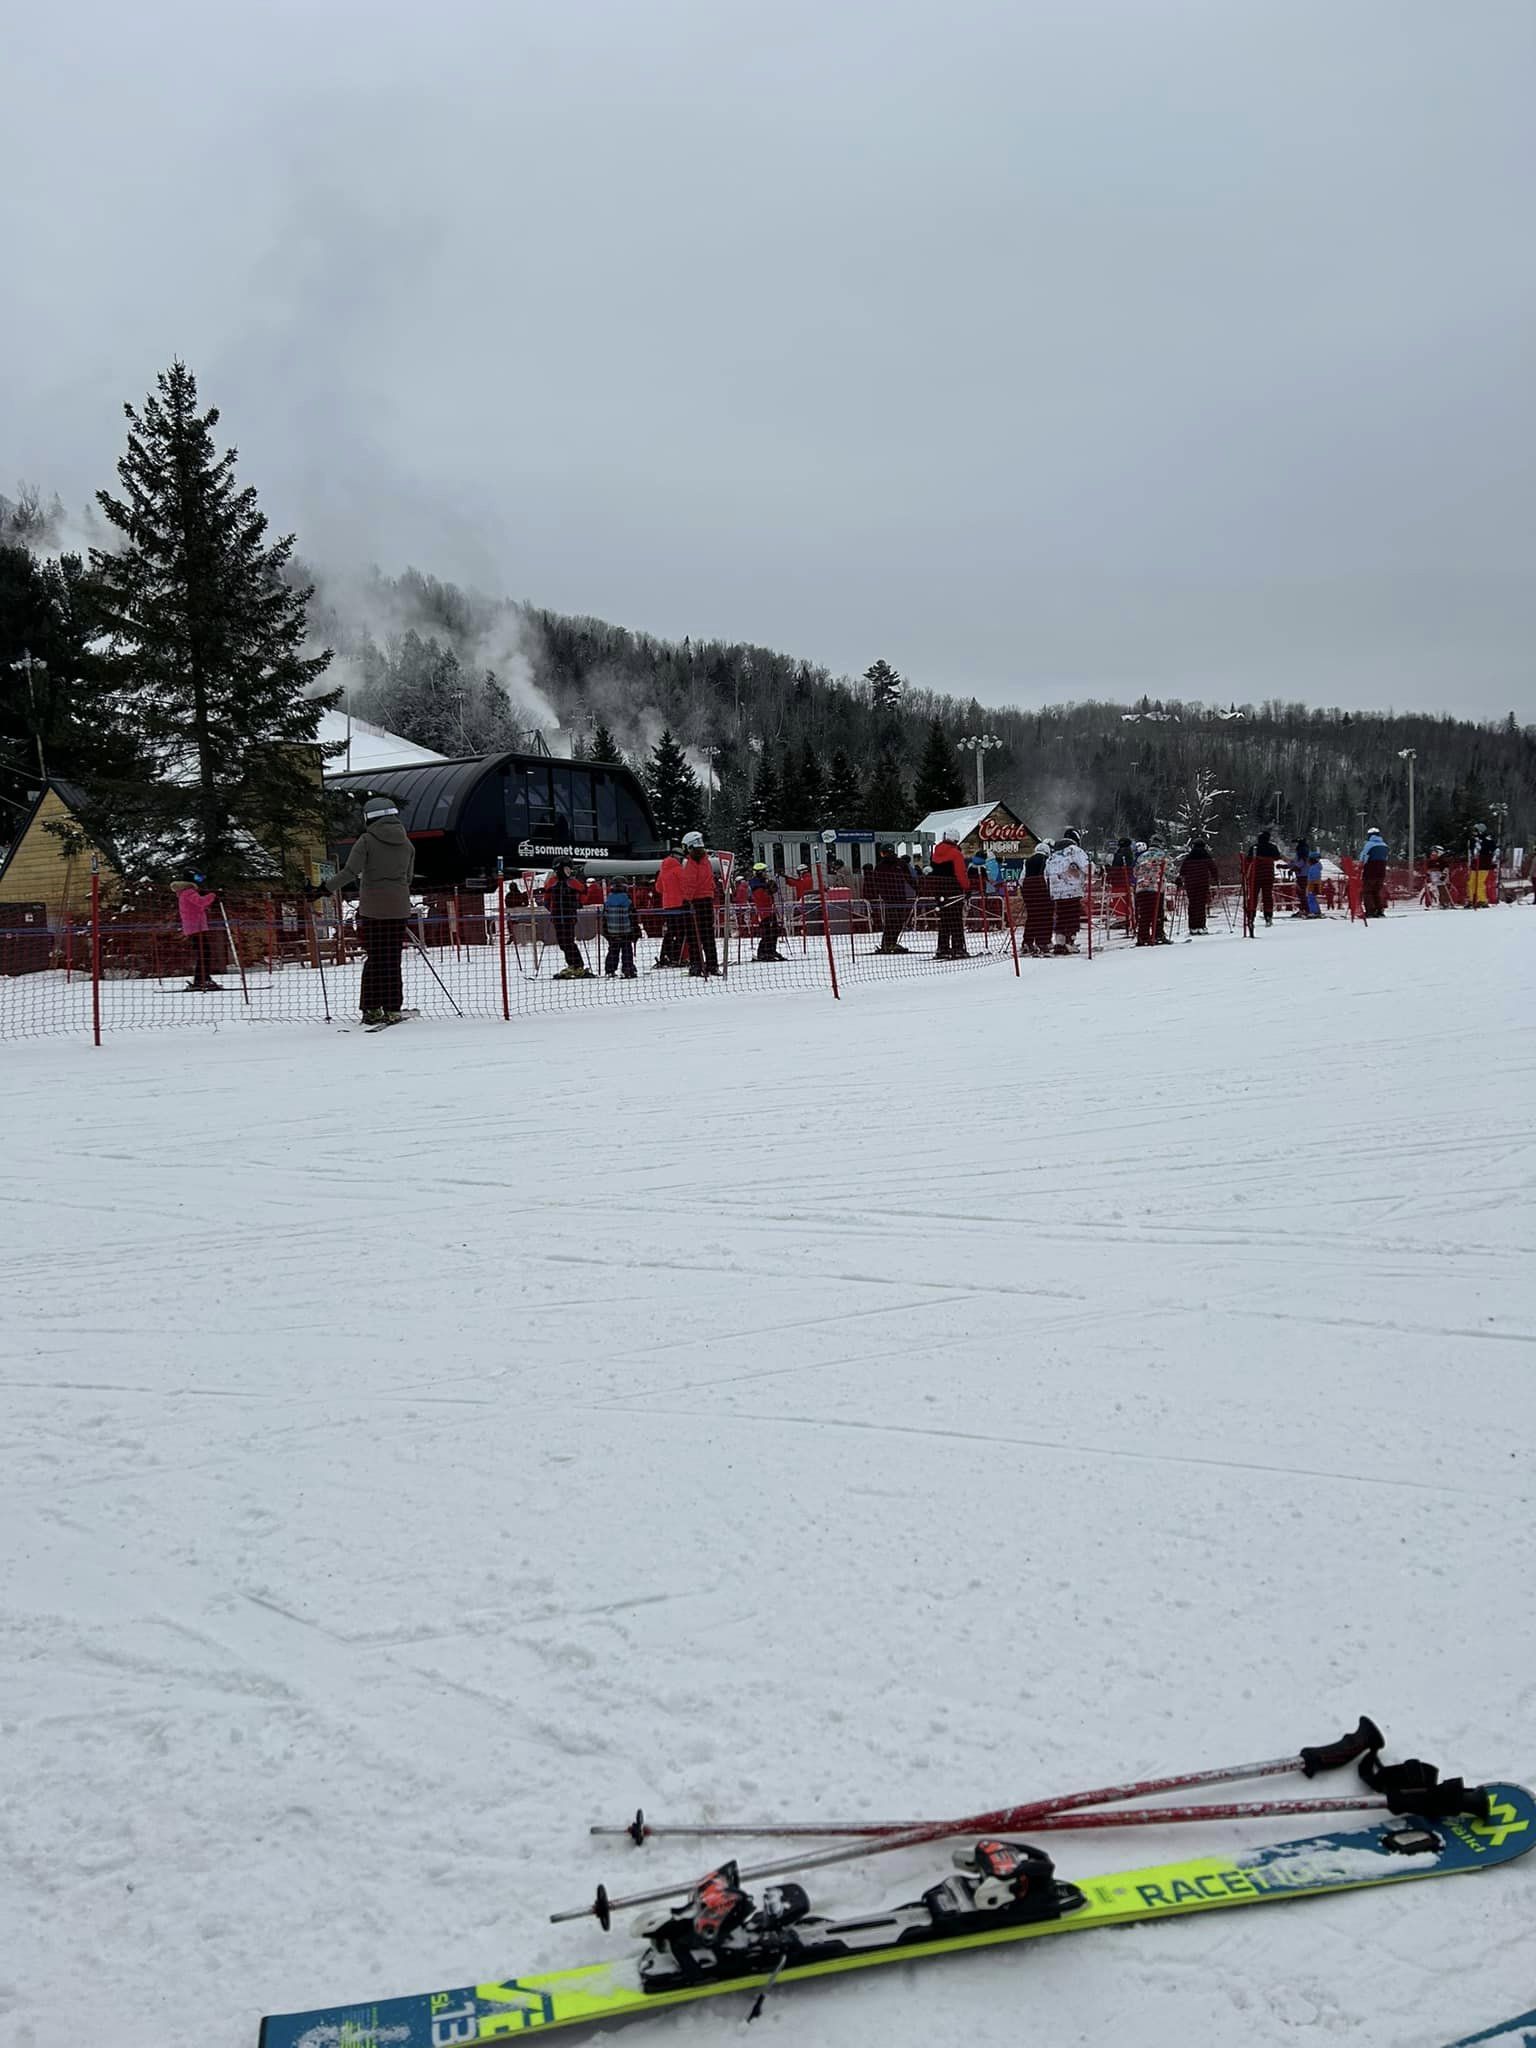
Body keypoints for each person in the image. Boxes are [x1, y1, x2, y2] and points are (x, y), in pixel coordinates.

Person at [329, 796, 417, 1023]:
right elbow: (408, 877)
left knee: (375, 959)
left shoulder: (366, 840)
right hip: (398, 910)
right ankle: (393, 1007)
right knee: (392, 959)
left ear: (369, 817)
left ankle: (371, 1008)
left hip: (372, 910)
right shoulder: (407, 843)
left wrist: (323, 889)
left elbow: (350, 871)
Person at [679, 830, 720, 976]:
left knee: (693, 935)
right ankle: (712, 964)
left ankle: (696, 964)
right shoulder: (706, 861)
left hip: (695, 902)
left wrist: (687, 899)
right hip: (707, 900)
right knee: (708, 934)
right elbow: (710, 881)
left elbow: (690, 882)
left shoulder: (691, 862)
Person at [865, 844, 916, 953]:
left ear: (882, 853)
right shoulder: (901, 863)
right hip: (901, 896)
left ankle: (887, 943)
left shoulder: (880, 865)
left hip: (888, 898)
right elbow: (909, 878)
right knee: (899, 921)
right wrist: (918, 890)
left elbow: (876, 882)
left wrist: (877, 893)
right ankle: (891, 942)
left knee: (890, 921)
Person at [176, 873, 224, 991]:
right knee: (204, 953)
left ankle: (203, 978)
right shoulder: (189, 892)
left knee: (204, 953)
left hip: (194, 927)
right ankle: (201, 980)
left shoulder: (186, 892)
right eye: (198, 878)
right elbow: (201, 902)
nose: (200, 881)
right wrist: (213, 895)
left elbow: (198, 907)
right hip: (195, 927)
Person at [544, 861, 592, 978]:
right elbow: (546, 898)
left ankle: (577, 965)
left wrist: (578, 902)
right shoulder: (552, 882)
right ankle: (573, 965)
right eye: (566, 869)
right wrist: (551, 909)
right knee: (562, 943)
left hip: (569, 916)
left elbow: (584, 891)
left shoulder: (572, 882)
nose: (569, 871)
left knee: (568, 941)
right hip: (557, 917)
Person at [1045, 829, 1090, 952]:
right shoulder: (1074, 850)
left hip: (1057, 892)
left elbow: (1046, 873)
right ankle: (1070, 941)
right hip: (1072, 889)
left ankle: (1060, 942)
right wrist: (1096, 870)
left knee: (1061, 915)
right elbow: (1086, 867)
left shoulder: (1053, 855)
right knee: (1072, 916)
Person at [929, 831, 970, 959]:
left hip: (940, 890)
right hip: (954, 890)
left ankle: (943, 947)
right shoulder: (955, 854)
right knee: (956, 920)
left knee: (944, 921)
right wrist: (967, 888)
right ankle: (958, 947)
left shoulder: (935, 854)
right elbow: (960, 873)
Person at [654, 844, 688, 966]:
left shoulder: (663, 870)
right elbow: (685, 887)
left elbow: (658, 888)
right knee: (681, 932)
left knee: (670, 931)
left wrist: (669, 892)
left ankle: (665, 955)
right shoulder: (679, 870)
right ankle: (676, 956)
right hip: (680, 904)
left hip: (667, 905)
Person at [1179, 837, 1220, 935]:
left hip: (1190, 884)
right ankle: (1201, 926)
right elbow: (1213, 868)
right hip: (1203, 883)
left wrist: (1180, 880)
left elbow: (1182, 871)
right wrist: (1216, 878)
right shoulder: (1206, 856)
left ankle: (1192, 926)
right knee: (1201, 905)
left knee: (1192, 904)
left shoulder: (1189, 857)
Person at [601, 878, 638, 978]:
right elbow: (633, 917)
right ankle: (627, 968)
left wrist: (606, 931)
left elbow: (604, 918)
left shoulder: (607, 902)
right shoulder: (628, 901)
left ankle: (610, 970)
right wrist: (636, 930)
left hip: (612, 932)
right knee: (627, 950)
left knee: (613, 951)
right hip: (626, 931)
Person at [1020, 842, 1053, 954]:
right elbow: (1047, 877)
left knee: (1032, 917)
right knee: (1045, 917)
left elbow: (1021, 879)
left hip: (1029, 892)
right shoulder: (1047, 861)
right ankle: (1043, 942)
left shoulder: (1027, 861)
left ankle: (1027, 942)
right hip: (1042, 892)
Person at [747, 862, 784, 961]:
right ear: (760, 872)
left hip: (770, 910)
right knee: (767, 932)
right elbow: (761, 898)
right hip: (764, 912)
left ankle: (771, 950)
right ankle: (764, 952)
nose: (767, 873)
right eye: (765, 872)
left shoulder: (763, 883)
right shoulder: (757, 885)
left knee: (774, 930)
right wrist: (769, 891)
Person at [1133, 840, 1166, 947]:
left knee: (1144, 913)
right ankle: (1158, 935)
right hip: (1155, 887)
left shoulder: (1141, 857)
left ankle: (1143, 937)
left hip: (1141, 888)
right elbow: (1167, 869)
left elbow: (1135, 872)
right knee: (1158, 913)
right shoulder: (1161, 855)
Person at [1249, 828, 1282, 929]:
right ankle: (1268, 916)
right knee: (1267, 896)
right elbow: (1277, 857)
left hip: (1256, 875)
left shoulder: (1254, 847)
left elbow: (1248, 859)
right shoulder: (1272, 847)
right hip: (1268, 875)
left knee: (1253, 896)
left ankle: (1251, 916)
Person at [1467, 824, 1498, 908]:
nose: (1473, 832)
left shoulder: (1487, 840)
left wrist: (1493, 860)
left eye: (1475, 830)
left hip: (1483, 865)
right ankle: (1472, 899)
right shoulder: (1473, 840)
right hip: (1475, 865)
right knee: (1471, 883)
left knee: (1480, 882)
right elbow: (1471, 852)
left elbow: (1495, 850)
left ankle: (1482, 900)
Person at [1108, 838, 1135, 933]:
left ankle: (1122, 918)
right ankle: (1128, 916)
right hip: (1126, 879)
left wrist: (1110, 872)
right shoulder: (1130, 853)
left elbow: (1116, 866)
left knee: (1118, 898)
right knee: (1127, 899)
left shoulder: (1120, 853)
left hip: (1119, 880)